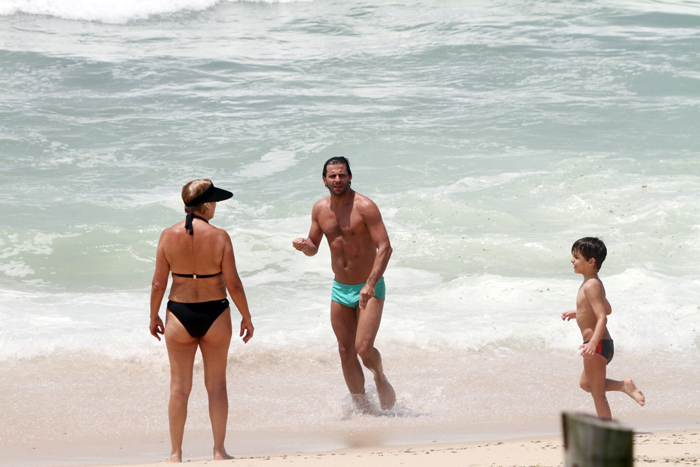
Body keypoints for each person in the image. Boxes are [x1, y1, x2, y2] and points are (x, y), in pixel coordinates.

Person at [149, 179, 254, 462]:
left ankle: (175, 454)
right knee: (216, 386)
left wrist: (153, 315)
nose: (217, 205)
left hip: (179, 315)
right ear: (207, 204)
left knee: (179, 388)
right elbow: (233, 284)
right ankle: (219, 451)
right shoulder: (220, 237)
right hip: (215, 314)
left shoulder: (167, 235)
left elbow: (159, 283)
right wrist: (246, 316)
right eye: (215, 201)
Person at [292, 157, 396, 412]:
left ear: (350, 177)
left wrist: (370, 283)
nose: (337, 180)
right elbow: (314, 247)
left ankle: (379, 376)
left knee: (363, 347)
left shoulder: (365, 207)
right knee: (344, 350)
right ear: (324, 180)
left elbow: (385, 247)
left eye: (342, 175)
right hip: (340, 288)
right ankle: (363, 408)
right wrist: (305, 247)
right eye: (332, 176)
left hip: (368, 287)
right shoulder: (319, 209)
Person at [561, 237, 645, 420]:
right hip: (603, 344)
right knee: (586, 384)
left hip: (596, 344)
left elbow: (602, 317)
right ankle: (623, 386)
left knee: (598, 394)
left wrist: (592, 343)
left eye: (576, 257)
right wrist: (579, 312)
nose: (572, 260)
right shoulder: (594, 283)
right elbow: (606, 308)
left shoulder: (591, 285)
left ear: (591, 262)